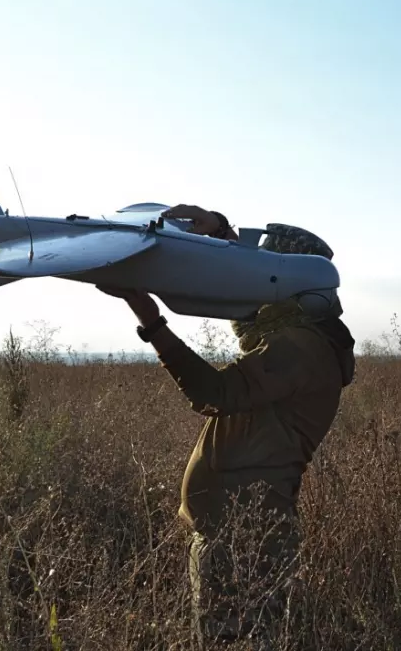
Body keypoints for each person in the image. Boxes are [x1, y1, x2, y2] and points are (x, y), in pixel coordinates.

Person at [96, 204, 355, 649]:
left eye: (266, 268)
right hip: (234, 531)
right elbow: (248, 310)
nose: (252, 277)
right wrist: (220, 234)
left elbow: (212, 393)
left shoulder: (300, 346)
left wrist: (150, 319)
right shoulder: (297, 336)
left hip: (245, 536)